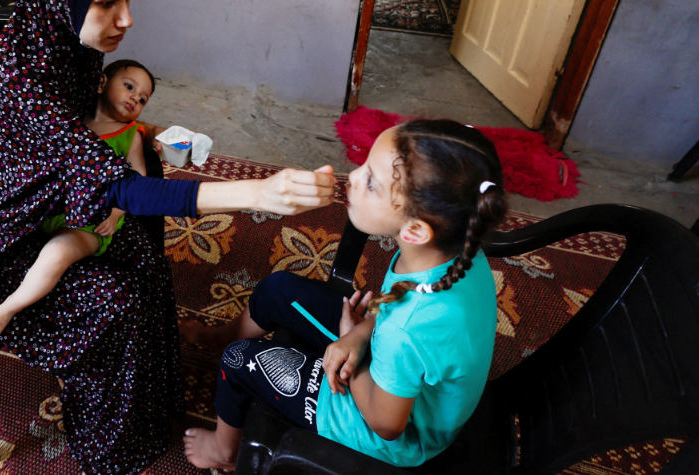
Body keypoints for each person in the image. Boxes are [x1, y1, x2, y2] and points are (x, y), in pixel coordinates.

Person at [0, 0, 335, 475]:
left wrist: (132, 140)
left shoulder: (67, 44)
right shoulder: (18, 81)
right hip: (2, 244)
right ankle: (110, 447)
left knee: (144, 253)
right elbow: (113, 183)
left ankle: (148, 403)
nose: (126, 20)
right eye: (107, 3)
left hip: (51, 200)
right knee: (113, 302)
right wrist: (257, 190)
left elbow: (85, 146)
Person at [182, 119, 507, 470]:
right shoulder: (455, 252)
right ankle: (222, 335)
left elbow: (386, 424)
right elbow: (406, 321)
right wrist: (362, 333)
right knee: (277, 290)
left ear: (414, 230)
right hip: (388, 360)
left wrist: (348, 343)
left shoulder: (407, 330)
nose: (352, 176)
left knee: (239, 360)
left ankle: (223, 450)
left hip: (382, 424)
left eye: (371, 182)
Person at [0, 58, 157, 347]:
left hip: (89, 222)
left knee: (58, 254)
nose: (134, 98)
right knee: (9, 196)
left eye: (142, 98)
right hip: (47, 205)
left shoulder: (131, 136)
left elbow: (138, 180)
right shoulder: (72, 117)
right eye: (129, 87)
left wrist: (116, 213)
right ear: (102, 83)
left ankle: (7, 310)